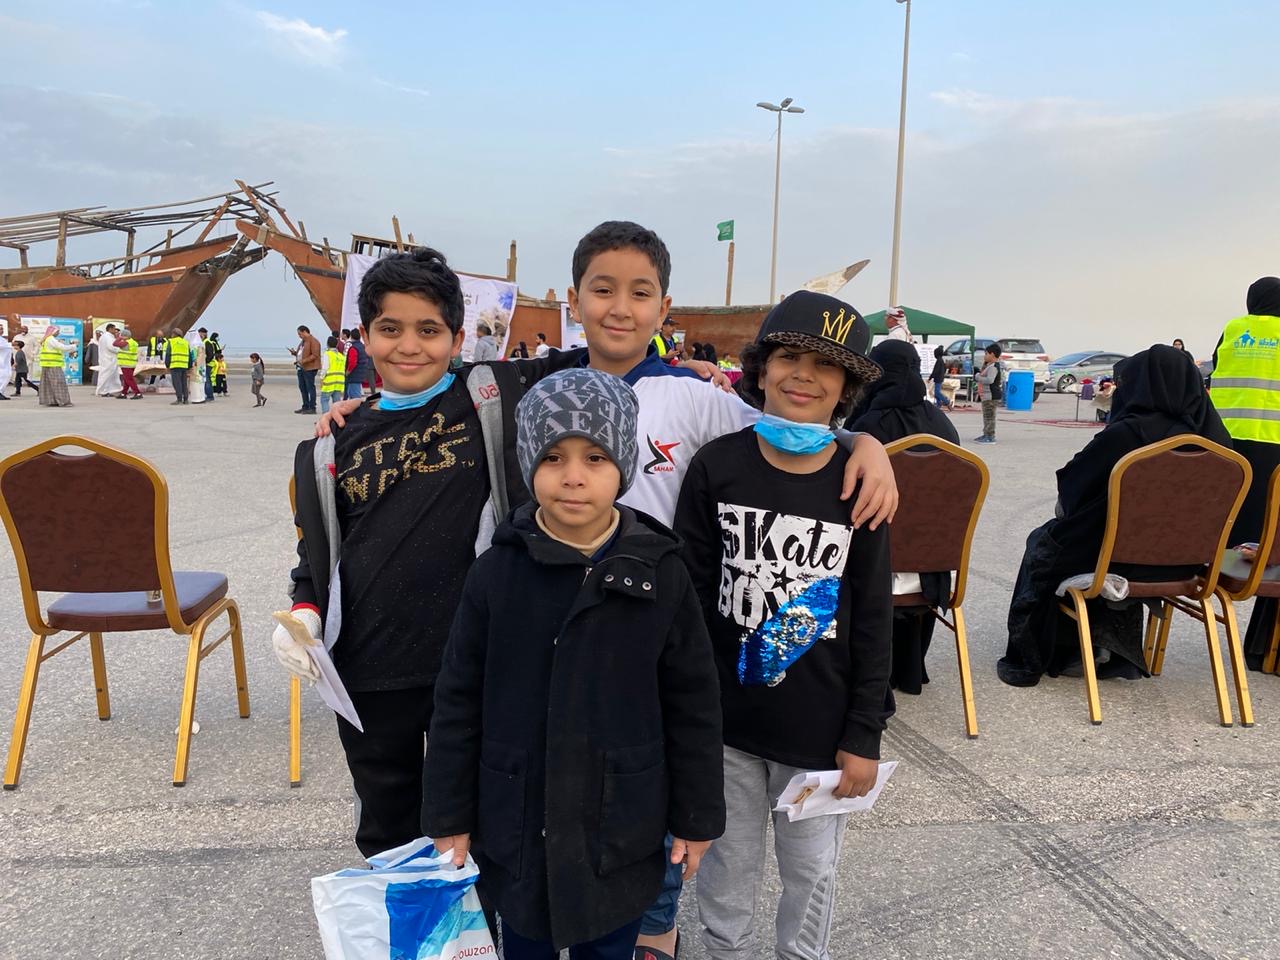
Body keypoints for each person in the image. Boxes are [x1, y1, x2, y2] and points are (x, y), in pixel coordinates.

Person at [314, 225, 899, 949]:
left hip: (652, 620)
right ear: (574, 299)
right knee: (558, 772)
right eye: (602, 289)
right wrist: (361, 412)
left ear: (664, 307)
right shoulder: (532, 382)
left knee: (642, 777)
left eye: (640, 292)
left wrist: (863, 443)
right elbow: (431, 382)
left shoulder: (694, 396)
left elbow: (785, 426)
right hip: (548, 611)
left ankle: (651, 928)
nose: (620, 307)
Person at [274, 247, 588, 858]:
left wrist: (695, 372)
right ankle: (406, 914)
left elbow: (599, 358)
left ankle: (481, 917)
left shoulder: (492, 395)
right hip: (369, 665)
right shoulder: (328, 445)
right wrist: (305, 611)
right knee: (387, 823)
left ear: (458, 339)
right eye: (390, 329)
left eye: (429, 330)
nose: (409, 346)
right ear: (365, 336)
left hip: (473, 662)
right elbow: (317, 550)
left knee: (486, 814)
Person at [424, 368, 725, 958]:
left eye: (595, 457)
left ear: (624, 466)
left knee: (610, 945)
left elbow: (693, 703)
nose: (574, 477)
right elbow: (457, 699)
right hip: (518, 825)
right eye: (553, 457)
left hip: (620, 826)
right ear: (529, 464)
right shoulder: (495, 573)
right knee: (525, 943)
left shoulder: (661, 572)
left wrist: (697, 816)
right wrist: (448, 813)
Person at [674, 291, 893, 960]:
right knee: (725, 874)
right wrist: (688, 714)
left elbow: (873, 617)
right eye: (790, 357)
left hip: (819, 738)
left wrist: (863, 732)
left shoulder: (859, 484)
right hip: (726, 730)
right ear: (761, 368)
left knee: (811, 874)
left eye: (827, 366)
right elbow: (691, 601)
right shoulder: (717, 466)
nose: (805, 375)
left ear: (846, 388)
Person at [997, 345, 1232, 686]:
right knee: (1101, 534)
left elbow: (1072, 490)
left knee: (1050, 540)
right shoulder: (1218, 443)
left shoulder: (1127, 435)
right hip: (1189, 566)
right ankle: (1107, 646)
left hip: (1115, 562)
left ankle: (1046, 651)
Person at [846, 339, 960, 694]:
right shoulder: (944, 426)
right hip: (932, 570)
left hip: (874, 568)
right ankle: (909, 669)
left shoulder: (866, 426)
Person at [1209, 277, 1280, 670]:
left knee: (1228, 512)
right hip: (1274, 438)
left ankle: (1219, 560)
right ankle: (1262, 561)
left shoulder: (1234, 328)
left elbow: (1218, 369)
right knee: (1268, 518)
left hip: (1227, 437)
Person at [37, 325, 77, 407]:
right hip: (53, 365)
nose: (58, 333)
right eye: (58, 331)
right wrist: (73, 346)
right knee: (59, 383)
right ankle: (63, 401)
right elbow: (62, 347)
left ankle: (52, 401)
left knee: (49, 384)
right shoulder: (50, 339)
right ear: (53, 332)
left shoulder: (46, 340)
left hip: (47, 365)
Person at [973, 344, 1003, 443]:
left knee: (989, 417)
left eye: (986, 354)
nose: (984, 356)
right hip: (986, 396)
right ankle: (986, 434)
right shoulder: (989, 366)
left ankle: (990, 436)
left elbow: (990, 380)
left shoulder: (993, 367)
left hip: (991, 396)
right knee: (986, 416)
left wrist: (978, 377)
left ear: (992, 354)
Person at [289, 324, 321, 414]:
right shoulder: (303, 342)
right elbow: (302, 353)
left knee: (310, 387)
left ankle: (312, 407)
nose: (299, 336)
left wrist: (303, 361)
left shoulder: (314, 341)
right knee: (302, 388)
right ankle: (305, 406)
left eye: (300, 334)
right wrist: (295, 353)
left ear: (305, 332)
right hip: (301, 367)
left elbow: (315, 355)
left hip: (310, 368)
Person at [318, 335, 346, 413]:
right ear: (337, 344)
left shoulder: (327, 354)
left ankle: (326, 417)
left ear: (327, 344)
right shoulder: (341, 356)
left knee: (324, 400)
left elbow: (325, 368)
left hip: (329, 382)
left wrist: (321, 378)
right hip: (339, 382)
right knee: (336, 402)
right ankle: (336, 418)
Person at [165, 328, 192, 405]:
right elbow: (189, 355)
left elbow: (168, 354)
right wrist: (189, 366)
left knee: (177, 383)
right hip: (184, 365)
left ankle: (179, 399)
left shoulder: (171, 341)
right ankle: (186, 399)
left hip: (175, 365)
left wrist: (167, 365)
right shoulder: (185, 342)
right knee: (184, 383)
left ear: (174, 334)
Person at [94, 323, 121, 397]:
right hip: (109, 359)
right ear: (110, 329)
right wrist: (119, 350)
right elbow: (111, 347)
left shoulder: (104, 337)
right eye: (114, 329)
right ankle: (102, 391)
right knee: (106, 375)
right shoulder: (108, 337)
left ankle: (112, 390)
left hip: (106, 359)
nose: (115, 331)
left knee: (111, 375)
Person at [116, 328, 143, 399]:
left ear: (126, 336)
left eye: (122, 335)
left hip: (126, 364)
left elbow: (115, 344)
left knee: (129, 380)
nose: (121, 337)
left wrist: (119, 338)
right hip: (131, 363)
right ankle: (123, 393)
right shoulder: (133, 342)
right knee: (126, 379)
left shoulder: (126, 343)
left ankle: (138, 393)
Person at [345, 328, 371, 398]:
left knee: (354, 395)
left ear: (351, 336)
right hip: (361, 373)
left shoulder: (353, 348)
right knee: (353, 393)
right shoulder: (362, 346)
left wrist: (348, 371)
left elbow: (352, 362)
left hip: (354, 375)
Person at [928, 345, 954, 410]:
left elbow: (935, 370)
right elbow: (944, 369)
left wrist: (930, 378)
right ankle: (938, 404)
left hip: (938, 378)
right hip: (940, 378)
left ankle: (947, 402)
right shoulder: (941, 360)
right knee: (936, 392)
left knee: (937, 392)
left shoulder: (938, 361)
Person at [197, 328, 216, 403]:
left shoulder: (207, 342)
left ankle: (210, 396)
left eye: (200, 334)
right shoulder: (203, 342)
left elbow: (210, 355)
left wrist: (205, 362)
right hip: (205, 364)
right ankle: (207, 395)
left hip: (208, 364)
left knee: (207, 381)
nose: (199, 335)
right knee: (205, 380)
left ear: (204, 334)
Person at [0, 332, 11, 400]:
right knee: (3, 376)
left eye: (2, 329)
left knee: (7, 376)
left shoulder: (2, 339)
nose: (2, 330)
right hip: (1, 363)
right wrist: (10, 344)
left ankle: (1, 392)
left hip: (5, 362)